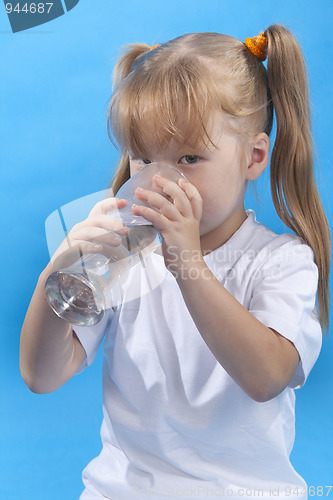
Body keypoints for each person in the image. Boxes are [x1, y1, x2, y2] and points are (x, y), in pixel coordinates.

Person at [20, 25, 331, 500]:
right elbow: (41, 376)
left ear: (253, 156)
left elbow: (267, 377)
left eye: (188, 157)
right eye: (143, 159)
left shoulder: (279, 261)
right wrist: (57, 272)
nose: (159, 180)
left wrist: (187, 262)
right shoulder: (125, 257)